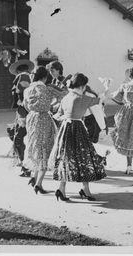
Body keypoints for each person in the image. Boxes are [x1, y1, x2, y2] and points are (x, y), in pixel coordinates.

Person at [50, 73, 107, 202]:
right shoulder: (82, 98)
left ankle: (61, 189)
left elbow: (58, 115)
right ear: (82, 86)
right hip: (77, 128)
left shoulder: (66, 97)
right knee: (84, 158)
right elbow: (101, 99)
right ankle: (85, 190)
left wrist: (67, 118)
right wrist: (106, 87)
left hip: (65, 129)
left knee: (66, 159)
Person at [23, 66, 66, 194]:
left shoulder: (28, 89)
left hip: (31, 118)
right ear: (45, 78)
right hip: (43, 118)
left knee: (35, 146)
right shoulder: (47, 89)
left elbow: (26, 105)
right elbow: (63, 95)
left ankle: (34, 177)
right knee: (45, 148)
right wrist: (50, 104)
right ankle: (39, 183)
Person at [8, 59, 35, 177]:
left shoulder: (22, 77)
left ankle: (25, 165)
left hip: (24, 113)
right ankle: (26, 164)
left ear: (19, 70)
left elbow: (22, 95)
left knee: (19, 137)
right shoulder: (29, 77)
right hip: (29, 112)